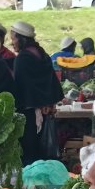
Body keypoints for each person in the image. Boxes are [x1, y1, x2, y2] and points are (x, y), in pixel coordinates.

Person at [10, 21, 64, 164]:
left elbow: (21, 86)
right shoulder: (40, 53)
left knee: (29, 152)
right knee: (39, 151)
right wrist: (48, 101)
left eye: (13, 38)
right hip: (43, 111)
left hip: (28, 114)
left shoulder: (23, 59)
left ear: (21, 38)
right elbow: (49, 80)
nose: (12, 42)